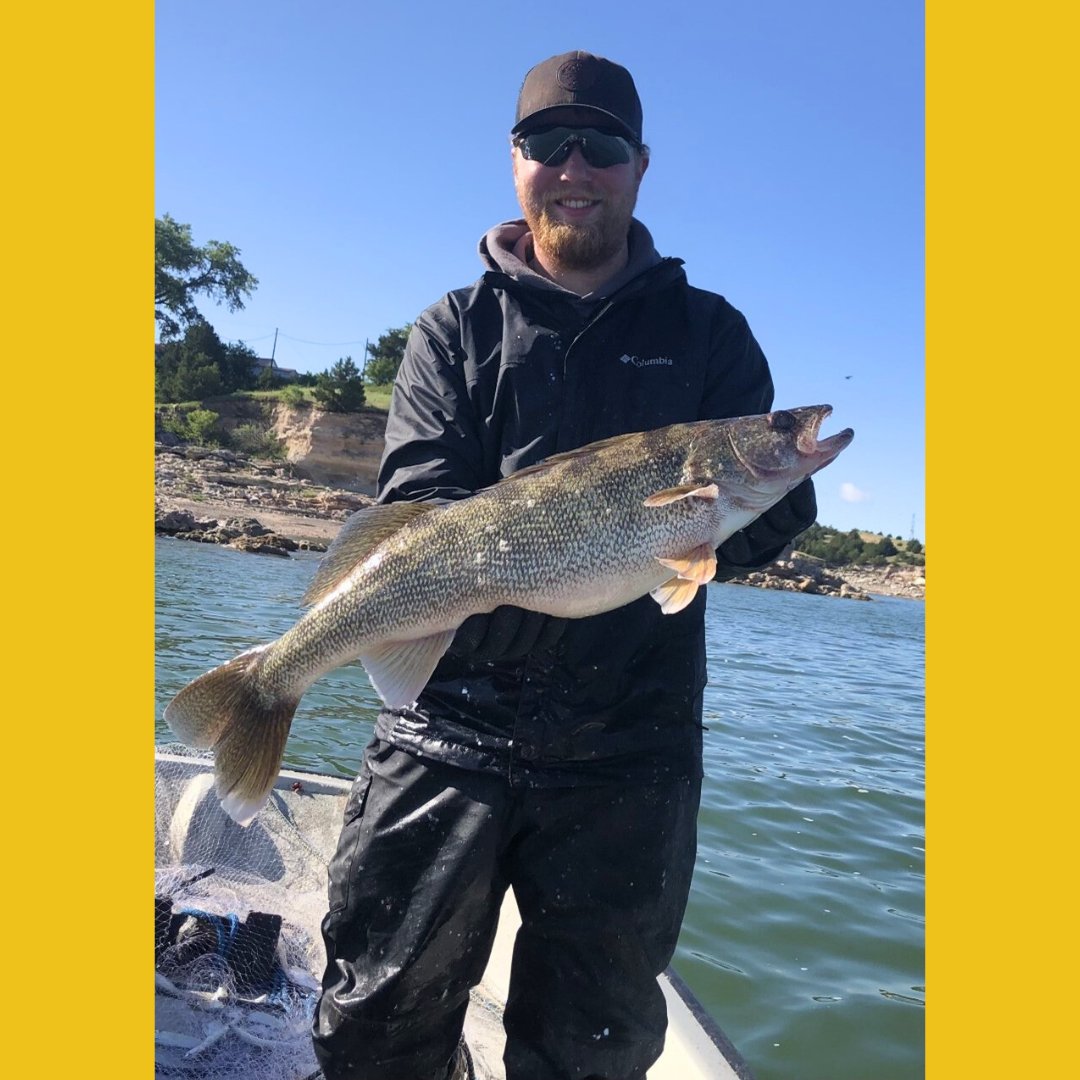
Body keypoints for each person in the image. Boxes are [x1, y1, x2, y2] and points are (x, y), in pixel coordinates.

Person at [313, 50, 817, 1080]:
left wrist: (738, 521)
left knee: (589, 1050)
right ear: (516, 163)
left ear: (641, 166)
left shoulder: (711, 333)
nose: (574, 165)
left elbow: (750, 524)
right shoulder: (454, 330)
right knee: (378, 1022)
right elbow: (419, 504)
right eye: (550, 143)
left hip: (632, 749)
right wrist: (502, 586)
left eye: (603, 145)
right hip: (446, 722)